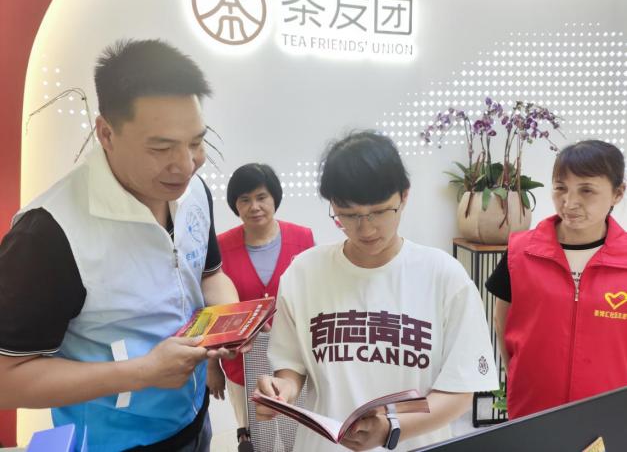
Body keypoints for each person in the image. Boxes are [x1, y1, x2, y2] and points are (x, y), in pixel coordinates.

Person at [0, 39, 244, 451]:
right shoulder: (48, 234)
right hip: (113, 442)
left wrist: (229, 323)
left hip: (193, 419)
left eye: (196, 142)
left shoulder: (193, 193)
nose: (186, 165)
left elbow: (209, 274)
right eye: (161, 148)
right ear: (106, 133)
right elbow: (6, 380)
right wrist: (143, 372)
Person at [254, 131, 499, 451]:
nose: (366, 228)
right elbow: (292, 367)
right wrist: (282, 390)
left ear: (404, 196)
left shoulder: (444, 277)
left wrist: (392, 430)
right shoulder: (304, 274)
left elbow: (459, 392)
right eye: (349, 215)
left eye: (380, 211)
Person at [486, 139, 627, 419]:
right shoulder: (520, 252)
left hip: (609, 415)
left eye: (586, 190)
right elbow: (502, 322)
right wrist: (516, 374)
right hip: (532, 409)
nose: (569, 202)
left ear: (617, 193)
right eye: (561, 188)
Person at [209, 163, 314, 451]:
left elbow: (314, 297)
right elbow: (212, 310)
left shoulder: (303, 238)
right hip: (240, 363)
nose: (254, 206)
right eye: (244, 199)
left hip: (294, 362)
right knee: (255, 436)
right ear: (235, 204)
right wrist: (212, 366)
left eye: (261, 197)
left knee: (297, 433)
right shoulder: (219, 247)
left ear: (274, 198)